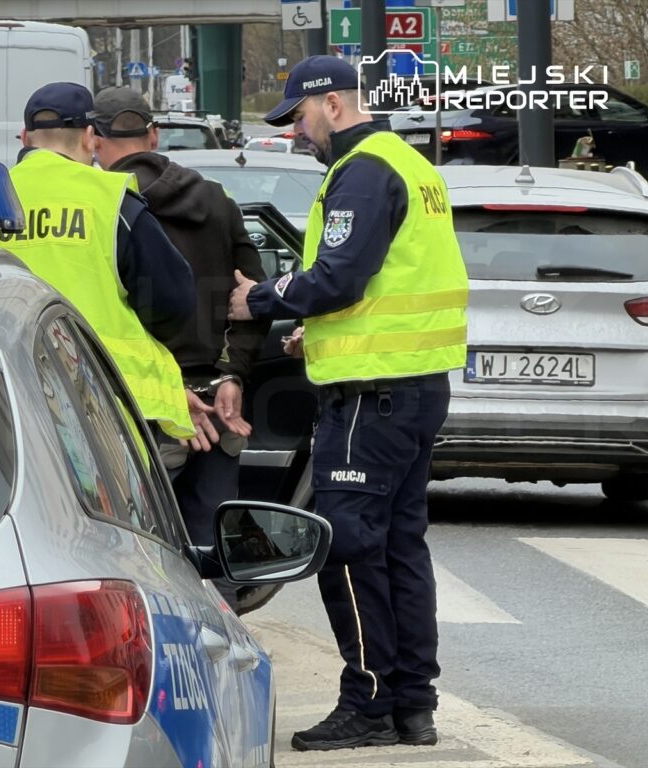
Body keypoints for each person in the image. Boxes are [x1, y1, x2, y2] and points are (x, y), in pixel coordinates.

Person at [228, 55, 469, 751]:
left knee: (346, 548)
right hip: (413, 384)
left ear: (332, 104)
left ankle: (368, 701)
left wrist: (261, 301)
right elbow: (385, 283)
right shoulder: (411, 164)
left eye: (301, 118)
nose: (300, 134)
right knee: (398, 548)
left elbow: (339, 274)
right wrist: (320, 331)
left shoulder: (362, 172)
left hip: (372, 397)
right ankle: (411, 704)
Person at [91, 86, 271, 609]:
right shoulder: (216, 200)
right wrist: (233, 373)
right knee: (214, 553)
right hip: (215, 405)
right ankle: (225, 649)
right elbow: (251, 298)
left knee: (138, 550)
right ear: (154, 135)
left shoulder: (103, 207)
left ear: (95, 141)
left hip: (135, 405)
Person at [0, 82, 205, 443]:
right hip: (100, 407)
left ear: (25, 137)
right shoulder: (110, 199)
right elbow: (175, 300)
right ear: (91, 136)